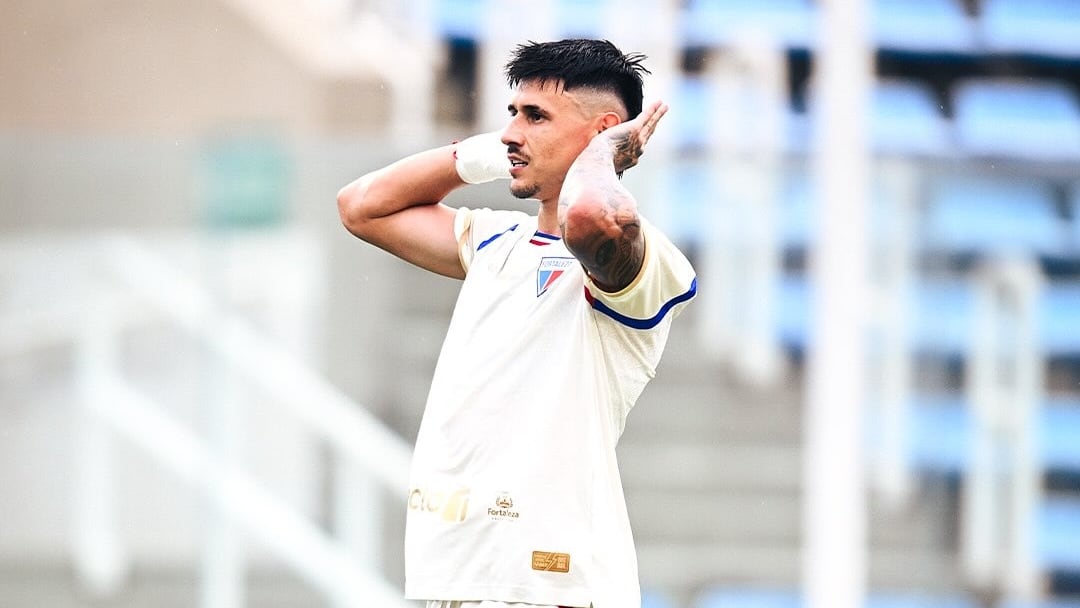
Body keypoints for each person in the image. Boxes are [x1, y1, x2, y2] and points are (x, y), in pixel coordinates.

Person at [337, 38, 697, 608]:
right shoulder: (495, 239)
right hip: (460, 577)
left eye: (535, 116)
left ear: (604, 131)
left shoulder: (644, 255)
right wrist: (494, 152)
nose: (511, 131)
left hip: (552, 587)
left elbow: (589, 218)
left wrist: (603, 155)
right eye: (512, 113)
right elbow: (361, 206)